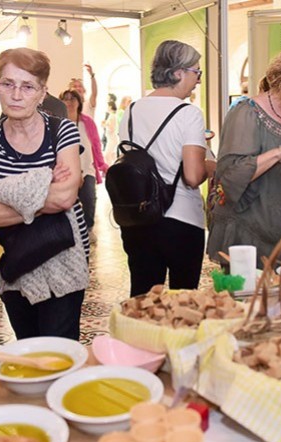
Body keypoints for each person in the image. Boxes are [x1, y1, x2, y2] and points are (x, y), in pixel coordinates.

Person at [0, 48, 89, 340]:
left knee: (60, 352)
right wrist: (44, 182)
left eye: (27, 87)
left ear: (42, 93)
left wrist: (2, 192)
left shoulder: (63, 131)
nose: (16, 95)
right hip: (13, 262)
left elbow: (65, 198)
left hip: (64, 260)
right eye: (7, 84)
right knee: (28, 346)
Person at [207, 41, 281, 267]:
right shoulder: (247, 112)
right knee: (247, 302)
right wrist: (280, 153)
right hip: (247, 234)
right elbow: (229, 177)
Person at [117, 40, 209, 296]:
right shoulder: (188, 113)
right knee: (183, 300)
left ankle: (140, 337)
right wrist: (209, 165)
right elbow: (192, 176)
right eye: (196, 72)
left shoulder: (132, 110)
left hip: (138, 218)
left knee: (143, 299)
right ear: (178, 72)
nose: (198, 80)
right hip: (180, 219)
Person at [60, 89, 107, 236]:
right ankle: (71, 232)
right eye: (66, 99)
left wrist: (101, 163)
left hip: (87, 168)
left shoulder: (87, 122)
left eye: (72, 99)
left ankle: (88, 228)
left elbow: (96, 144)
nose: (69, 102)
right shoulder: (59, 122)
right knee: (67, 203)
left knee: (89, 199)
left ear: (79, 102)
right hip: (66, 171)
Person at [102, 94, 120, 165]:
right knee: (112, 155)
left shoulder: (112, 116)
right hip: (110, 138)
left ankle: (109, 168)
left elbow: (112, 128)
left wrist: (105, 124)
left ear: (110, 107)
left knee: (107, 155)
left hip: (112, 138)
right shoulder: (111, 115)